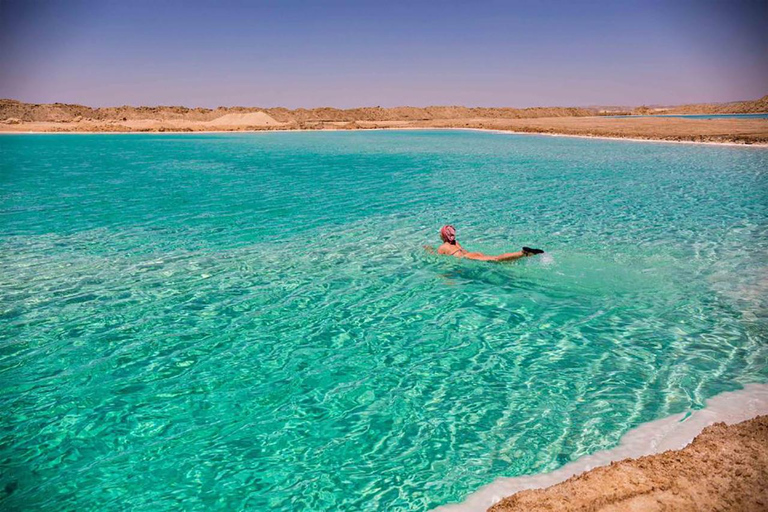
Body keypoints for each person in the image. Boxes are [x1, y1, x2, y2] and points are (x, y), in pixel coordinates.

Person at [435, 225, 543, 261]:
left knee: (496, 259)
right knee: (497, 258)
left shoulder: (443, 247)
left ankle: (523, 253)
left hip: (469, 257)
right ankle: (522, 254)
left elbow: (437, 258)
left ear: (443, 236)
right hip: (474, 253)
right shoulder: (455, 242)